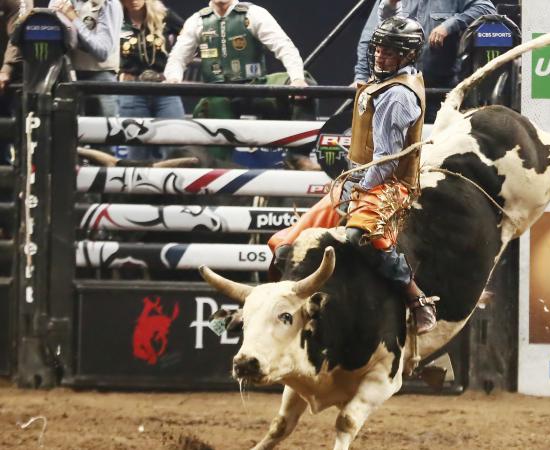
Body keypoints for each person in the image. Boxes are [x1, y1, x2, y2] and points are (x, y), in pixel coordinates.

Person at [268, 17, 437, 335]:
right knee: (286, 244)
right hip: (362, 179)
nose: (380, 56)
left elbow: (386, 161)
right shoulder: (387, 83)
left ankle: (417, 299)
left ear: (407, 56)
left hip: (389, 185)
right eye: (379, 49)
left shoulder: (396, 95)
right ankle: (281, 308)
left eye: (390, 52)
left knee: (365, 236)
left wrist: (356, 189)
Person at [163, 0, 315, 166]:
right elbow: (177, 58)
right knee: (211, 134)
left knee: (305, 84)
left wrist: (297, 79)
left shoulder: (254, 13)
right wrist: (173, 78)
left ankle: (298, 157)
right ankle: (216, 169)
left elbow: (284, 47)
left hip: (257, 87)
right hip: (219, 94)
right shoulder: (197, 21)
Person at [354, 0, 496, 89]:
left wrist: (450, 25)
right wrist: (361, 77)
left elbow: (487, 9)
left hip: (438, 90)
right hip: (394, 87)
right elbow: (370, 39)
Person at [117, 0, 185, 160]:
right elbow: (103, 48)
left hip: (164, 88)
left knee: (176, 146)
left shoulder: (164, 15)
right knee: (136, 151)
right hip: (132, 90)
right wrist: (118, 72)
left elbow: (190, 39)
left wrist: (177, 67)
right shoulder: (116, 17)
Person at [51, 0, 123, 117]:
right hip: (67, 77)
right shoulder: (59, 1)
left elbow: (102, 51)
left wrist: (74, 19)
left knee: (104, 130)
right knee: (69, 131)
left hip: (100, 77)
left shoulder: (108, 3)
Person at [0, 0, 33, 164]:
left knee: (20, 137)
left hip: (16, 78)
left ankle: (18, 185)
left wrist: (6, 69)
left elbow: (19, 32)